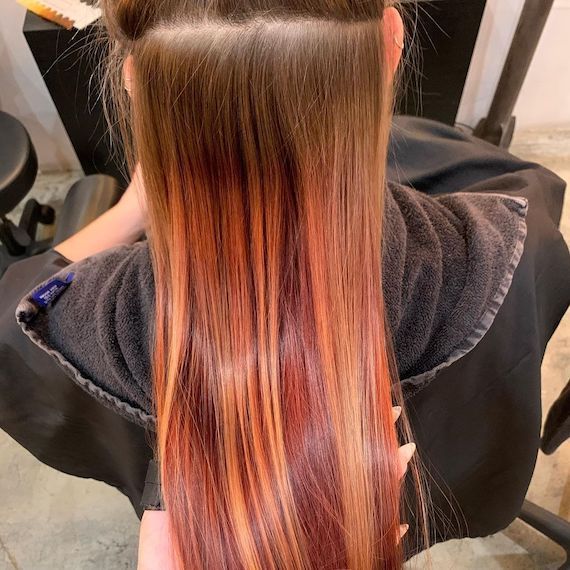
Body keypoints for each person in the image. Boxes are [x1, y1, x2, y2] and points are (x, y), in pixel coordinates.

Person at [0, 0, 568, 568]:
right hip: (421, 504)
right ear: (392, 40)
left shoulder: (90, 314)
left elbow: (15, 314)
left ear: (133, 80)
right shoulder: (514, 238)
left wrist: (130, 212)